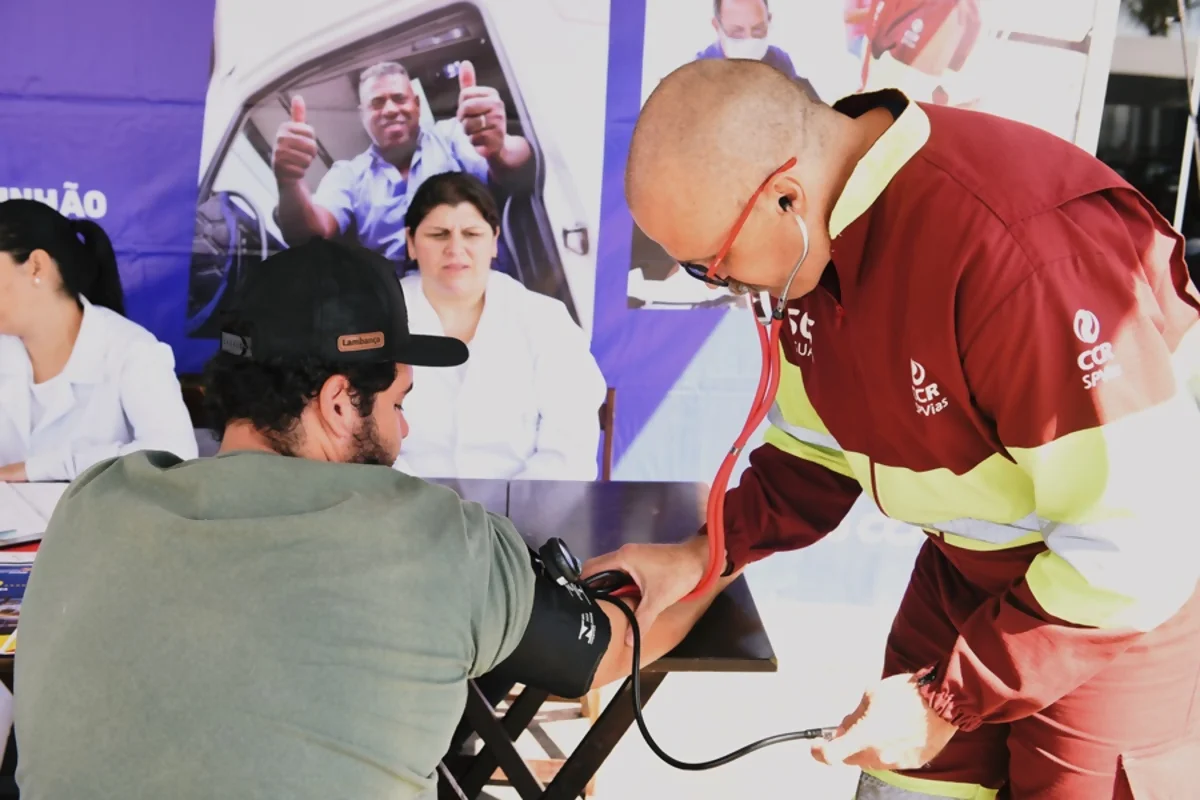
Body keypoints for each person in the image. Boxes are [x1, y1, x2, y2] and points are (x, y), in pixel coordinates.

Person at [588, 58, 1200, 798]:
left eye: (711, 266)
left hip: (1114, 610)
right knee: (896, 786)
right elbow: (812, 454)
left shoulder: (1019, 257)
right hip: (964, 571)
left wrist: (949, 698)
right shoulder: (816, 245)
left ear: (786, 195)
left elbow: (1138, 543)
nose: (724, 288)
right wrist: (706, 555)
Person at [12, 237, 732, 800]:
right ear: (336, 403)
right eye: (397, 403)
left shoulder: (93, 504)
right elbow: (610, 650)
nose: (405, 431)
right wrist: (712, 557)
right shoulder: (443, 539)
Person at [393, 172, 606, 479]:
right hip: (403, 512)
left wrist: (506, 520)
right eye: (439, 234)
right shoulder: (377, 319)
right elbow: (362, 437)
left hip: (525, 516)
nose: (455, 248)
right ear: (411, 243)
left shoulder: (545, 320)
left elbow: (570, 448)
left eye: (471, 234)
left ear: (494, 241)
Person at [0, 200, 197, 482]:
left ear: (36, 266)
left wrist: (34, 469)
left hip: (98, 525)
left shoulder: (133, 351)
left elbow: (176, 455)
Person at [272, 59, 533, 262]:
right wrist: (289, 182)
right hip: (405, 311)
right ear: (363, 115)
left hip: (481, 286)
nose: (390, 110)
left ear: (417, 104)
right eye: (377, 103)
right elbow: (309, 232)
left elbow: (520, 162)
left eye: (399, 98)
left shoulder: (453, 135)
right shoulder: (348, 175)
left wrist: (498, 148)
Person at [695, 0, 820, 101]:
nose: (749, 40)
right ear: (716, 26)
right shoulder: (699, 74)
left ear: (769, 20)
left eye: (758, 30)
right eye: (736, 32)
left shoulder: (780, 62)